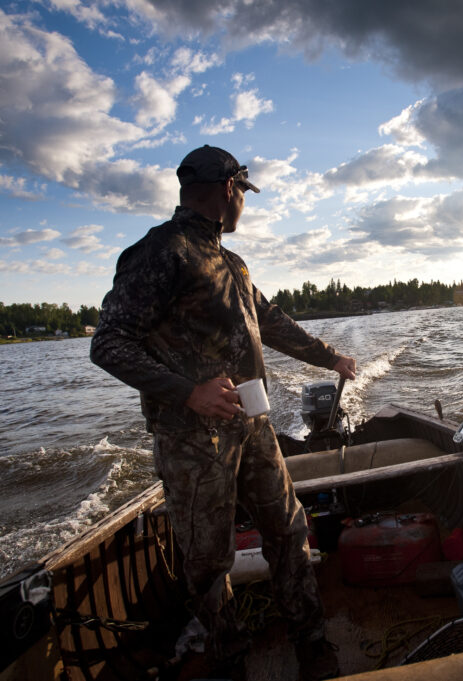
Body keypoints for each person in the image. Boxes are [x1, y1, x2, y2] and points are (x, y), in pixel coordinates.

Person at [91, 145, 355, 681]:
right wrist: (188, 391)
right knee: (208, 562)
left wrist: (331, 357)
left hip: (253, 427)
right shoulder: (162, 251)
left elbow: (272, 322)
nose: (244, 206)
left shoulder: (231, 262)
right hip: (193, 438)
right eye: (243, 195)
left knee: (287, 528)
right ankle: (228, 659)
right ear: (230, 188)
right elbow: (109, 343)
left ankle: (312, 642)